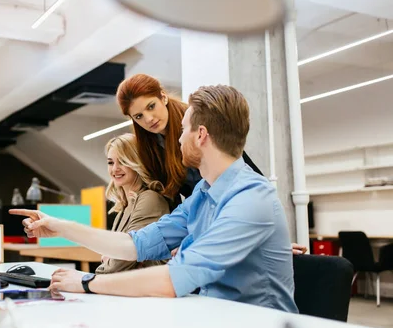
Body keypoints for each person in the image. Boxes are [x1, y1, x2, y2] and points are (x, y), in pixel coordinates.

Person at [11, 85, 298, 313]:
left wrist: (86, 282)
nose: (177, 139)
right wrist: (60, 226)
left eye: (183, 129)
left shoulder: (250, 198)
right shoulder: (203, 193)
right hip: (214, 318)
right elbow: (136, 244)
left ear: (200, 135)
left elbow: (173, 280)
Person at [116, 74, 307, 256]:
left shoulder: (196, 122)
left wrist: (272, 240)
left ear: (163, 97)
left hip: (230, 215)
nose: (149, 119)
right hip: (201, 218)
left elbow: (247, 177)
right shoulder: (151, 147)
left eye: (151, 106)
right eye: (139, 116)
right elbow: (173, 204)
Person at [95, 133, 169, 274]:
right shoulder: (124, 206)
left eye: (122, 161)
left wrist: (107, 262)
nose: (115, 169)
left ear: (137, 163)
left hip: (150, 289)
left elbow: (120, 262)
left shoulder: (150, 199)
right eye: (111, 162)